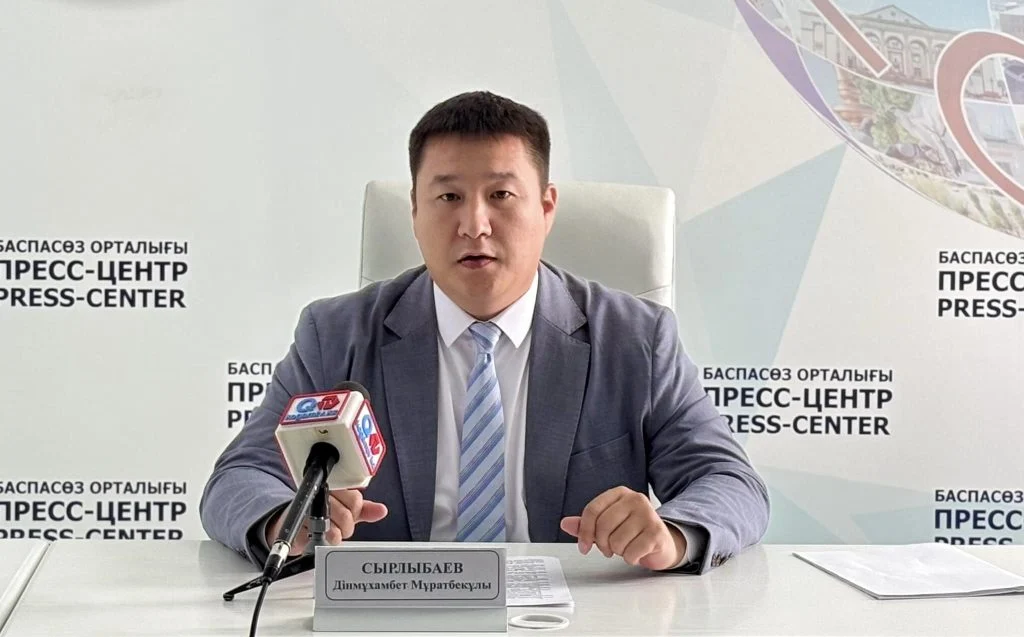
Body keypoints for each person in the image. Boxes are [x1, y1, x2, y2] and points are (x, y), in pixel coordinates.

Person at [200, 91, 769, 573]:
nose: (474, 225)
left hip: (573, 617)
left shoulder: (636, 340)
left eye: (501, 195)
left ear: (546, 207)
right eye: (448, 197)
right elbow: (241, 476)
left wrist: (672, 535)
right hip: (394, 614)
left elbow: (728, 481)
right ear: (415, 213)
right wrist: (285, 522)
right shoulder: (335, 335)